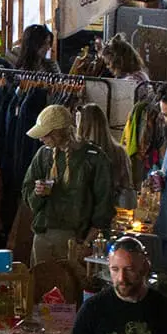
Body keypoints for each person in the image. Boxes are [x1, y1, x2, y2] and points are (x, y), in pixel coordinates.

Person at [22, 106, 114, 266]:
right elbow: (27, 192)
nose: (41, 139)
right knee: (40, 287)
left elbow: (103, 207)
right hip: (43, 234)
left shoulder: (94, 158)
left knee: (71, 288)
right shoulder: (43, 155)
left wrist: (87, 244)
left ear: (59, 131)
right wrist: (38, 193)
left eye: (46, 134)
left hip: (76, 239)